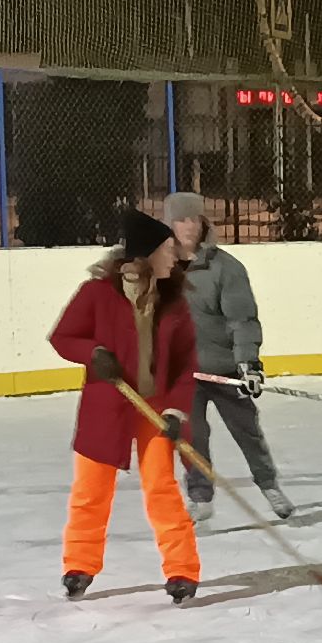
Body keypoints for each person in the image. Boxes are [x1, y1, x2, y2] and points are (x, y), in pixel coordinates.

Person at [50, 208, 202, 604]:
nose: (176, 257)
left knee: (161, 488)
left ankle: (182, 570)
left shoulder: (174, 301)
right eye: (169, 250)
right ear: (147, 254)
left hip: (155, 406)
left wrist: (176, 410)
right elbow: (63, 337)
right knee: (91, 489)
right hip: (108, 404)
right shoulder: (97, 293)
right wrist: (93, 352)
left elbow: (187, 363)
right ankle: (79, 565)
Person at [162, 193, 294, 522]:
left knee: (247, 430)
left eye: (194, 219)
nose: (189, 226)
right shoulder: (159, 267)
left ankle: (269, 484)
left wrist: (248, 364)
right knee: (192, 436)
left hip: (225, 368)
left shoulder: (226, 268)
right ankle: (201, 497)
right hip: (182, 375)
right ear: (169, 225)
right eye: (181, 219)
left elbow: (242, 319)